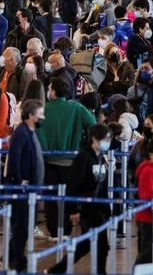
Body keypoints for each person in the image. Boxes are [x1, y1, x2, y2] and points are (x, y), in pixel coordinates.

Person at [47, 124, 113, 274]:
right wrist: (74, 209)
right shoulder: (83, 158)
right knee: (101, 245)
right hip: (87, 207)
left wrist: (107, 208)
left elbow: (102, 186)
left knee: (84, 246)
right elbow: (73, 185)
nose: (108, 142)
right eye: (106, 138)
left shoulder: (100, 158)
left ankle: (56, 270)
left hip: (98, 207)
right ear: (95, 139)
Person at [38, 77, 96, 240]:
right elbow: (92, 123)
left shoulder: (43, 109)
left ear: (53, 91)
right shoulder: (77, 108)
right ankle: (66, 230)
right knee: (69, 195)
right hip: (72, 159)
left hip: (48, 159)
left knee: (51, 197)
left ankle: (54, 231)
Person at [5, 100, 45, 272]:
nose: (42, 117)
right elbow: (14, 158)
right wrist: (18, 180)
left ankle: (11, 255)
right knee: (21, 225)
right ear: (31, 116)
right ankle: (17, 259)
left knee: (25, 224)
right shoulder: (21, 133)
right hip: (21, 188)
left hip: (30, 187)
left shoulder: (29, 132)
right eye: (40, 114)